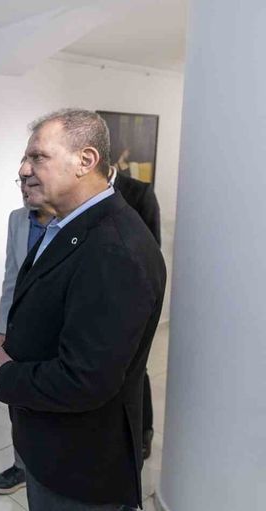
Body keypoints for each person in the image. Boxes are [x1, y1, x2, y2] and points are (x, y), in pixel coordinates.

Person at [0, 109, 165, 510]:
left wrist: (5, 376)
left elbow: (85, 379)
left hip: (81, 470)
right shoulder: (68, 227)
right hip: (52, 448)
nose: (23, 170)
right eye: (24, 159)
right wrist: (10, 355)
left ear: (86, 160)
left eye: (38, 157)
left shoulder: (115, 249)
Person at [0, 178, 52, 496]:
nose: (25, 187)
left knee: (51, 403)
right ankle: (22, 466)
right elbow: (11, 279)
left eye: (32, 180)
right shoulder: (17, 219)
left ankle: (48, 470)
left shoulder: (71, 221)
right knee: (18, 402)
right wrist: (3, 331)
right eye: (21, 181)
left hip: (56, 332)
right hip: (20, 330)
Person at [110, 165, 162, 459]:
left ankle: (144, 431)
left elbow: (152, 251)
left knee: (137, 369)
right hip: (101, 299)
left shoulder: (140, 193)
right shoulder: (85, 196)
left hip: (132, 299)